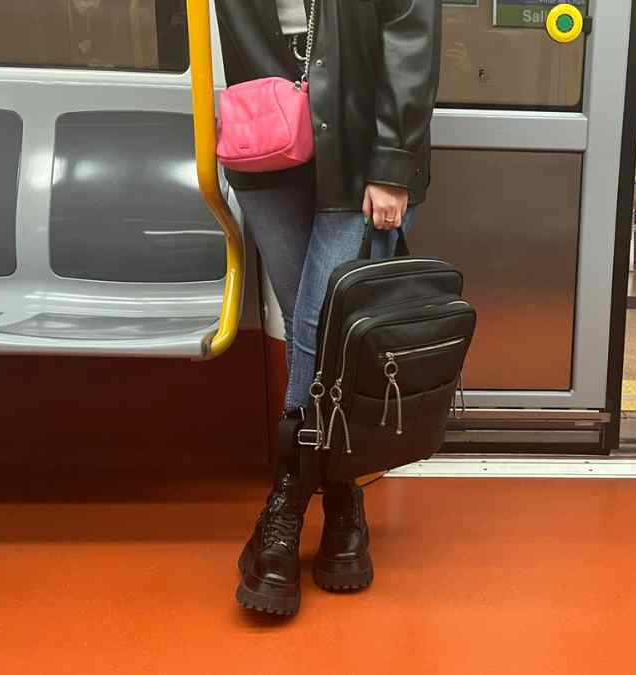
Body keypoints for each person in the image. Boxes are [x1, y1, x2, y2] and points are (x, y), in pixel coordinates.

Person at [215, 0, 440, 616]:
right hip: (265, 138)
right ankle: (344, 504)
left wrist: (394, 162)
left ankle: (284, 512)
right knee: (309, 334)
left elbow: (411, 30)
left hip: (361, 152)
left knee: (319, 332)